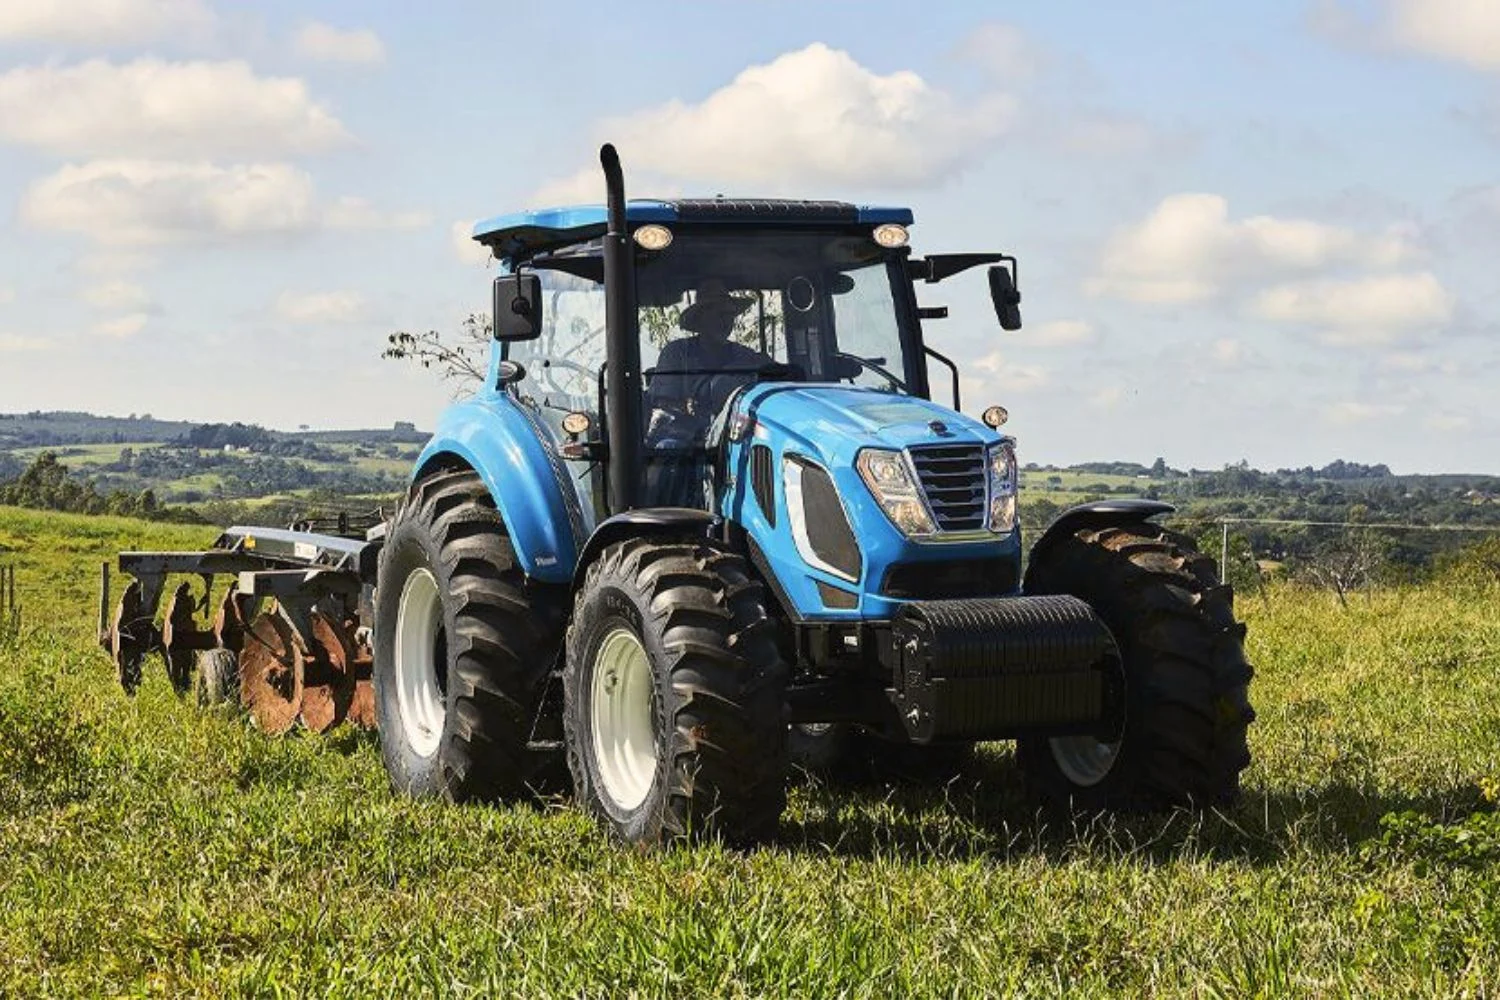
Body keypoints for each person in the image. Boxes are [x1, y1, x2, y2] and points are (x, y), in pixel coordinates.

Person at [646, 278, 770, 447]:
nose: (725, 321)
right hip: (685, 439)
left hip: (733, 437)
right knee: (668, 447)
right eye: (718, 314)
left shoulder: (745, 356)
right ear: (700, 319)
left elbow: (771, 372)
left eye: (729, 315)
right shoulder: (677, 354)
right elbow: (662, 404)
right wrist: (691, 406)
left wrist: (776, 369)